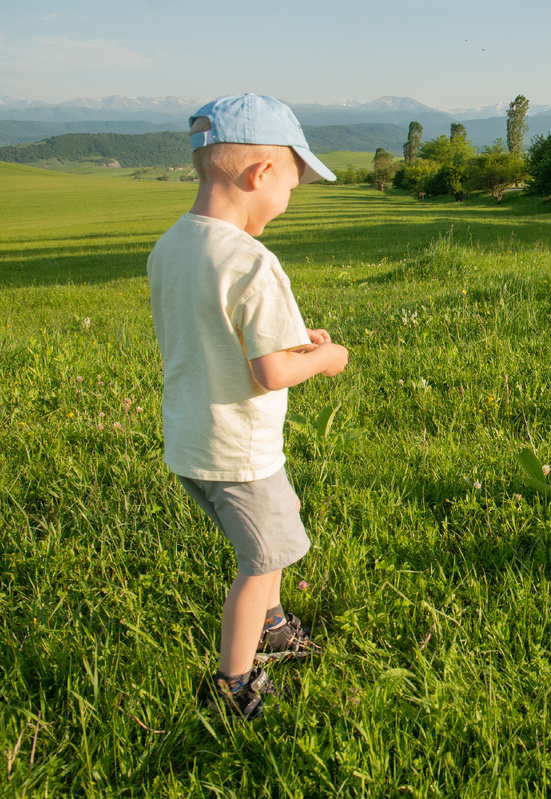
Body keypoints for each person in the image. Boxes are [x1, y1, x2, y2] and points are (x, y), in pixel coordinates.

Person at [146, 94, 348, 719]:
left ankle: (276, 625)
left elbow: (217, 335)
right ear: (260, 175)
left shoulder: (172, 248)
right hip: (241, 450)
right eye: (292, 184)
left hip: (191, 440)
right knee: (262, 559)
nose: (289, 200)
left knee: (276, 528)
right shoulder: (252, 262)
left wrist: (294, 342)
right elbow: (270, 372)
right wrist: (326, 356)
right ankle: (236, 684)